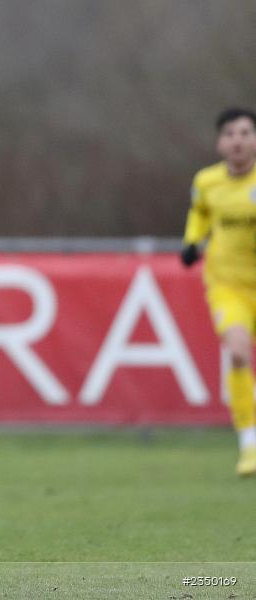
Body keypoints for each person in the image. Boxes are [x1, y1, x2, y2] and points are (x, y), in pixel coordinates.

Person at [181, 107, 256, 476]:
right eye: (230, 133)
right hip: (229, 285)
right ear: (220, 142)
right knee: (239, 354)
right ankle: (250, 444)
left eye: (245, 132)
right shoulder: (207, 181)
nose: (238, 140)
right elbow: (200, 214)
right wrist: (192, 242)